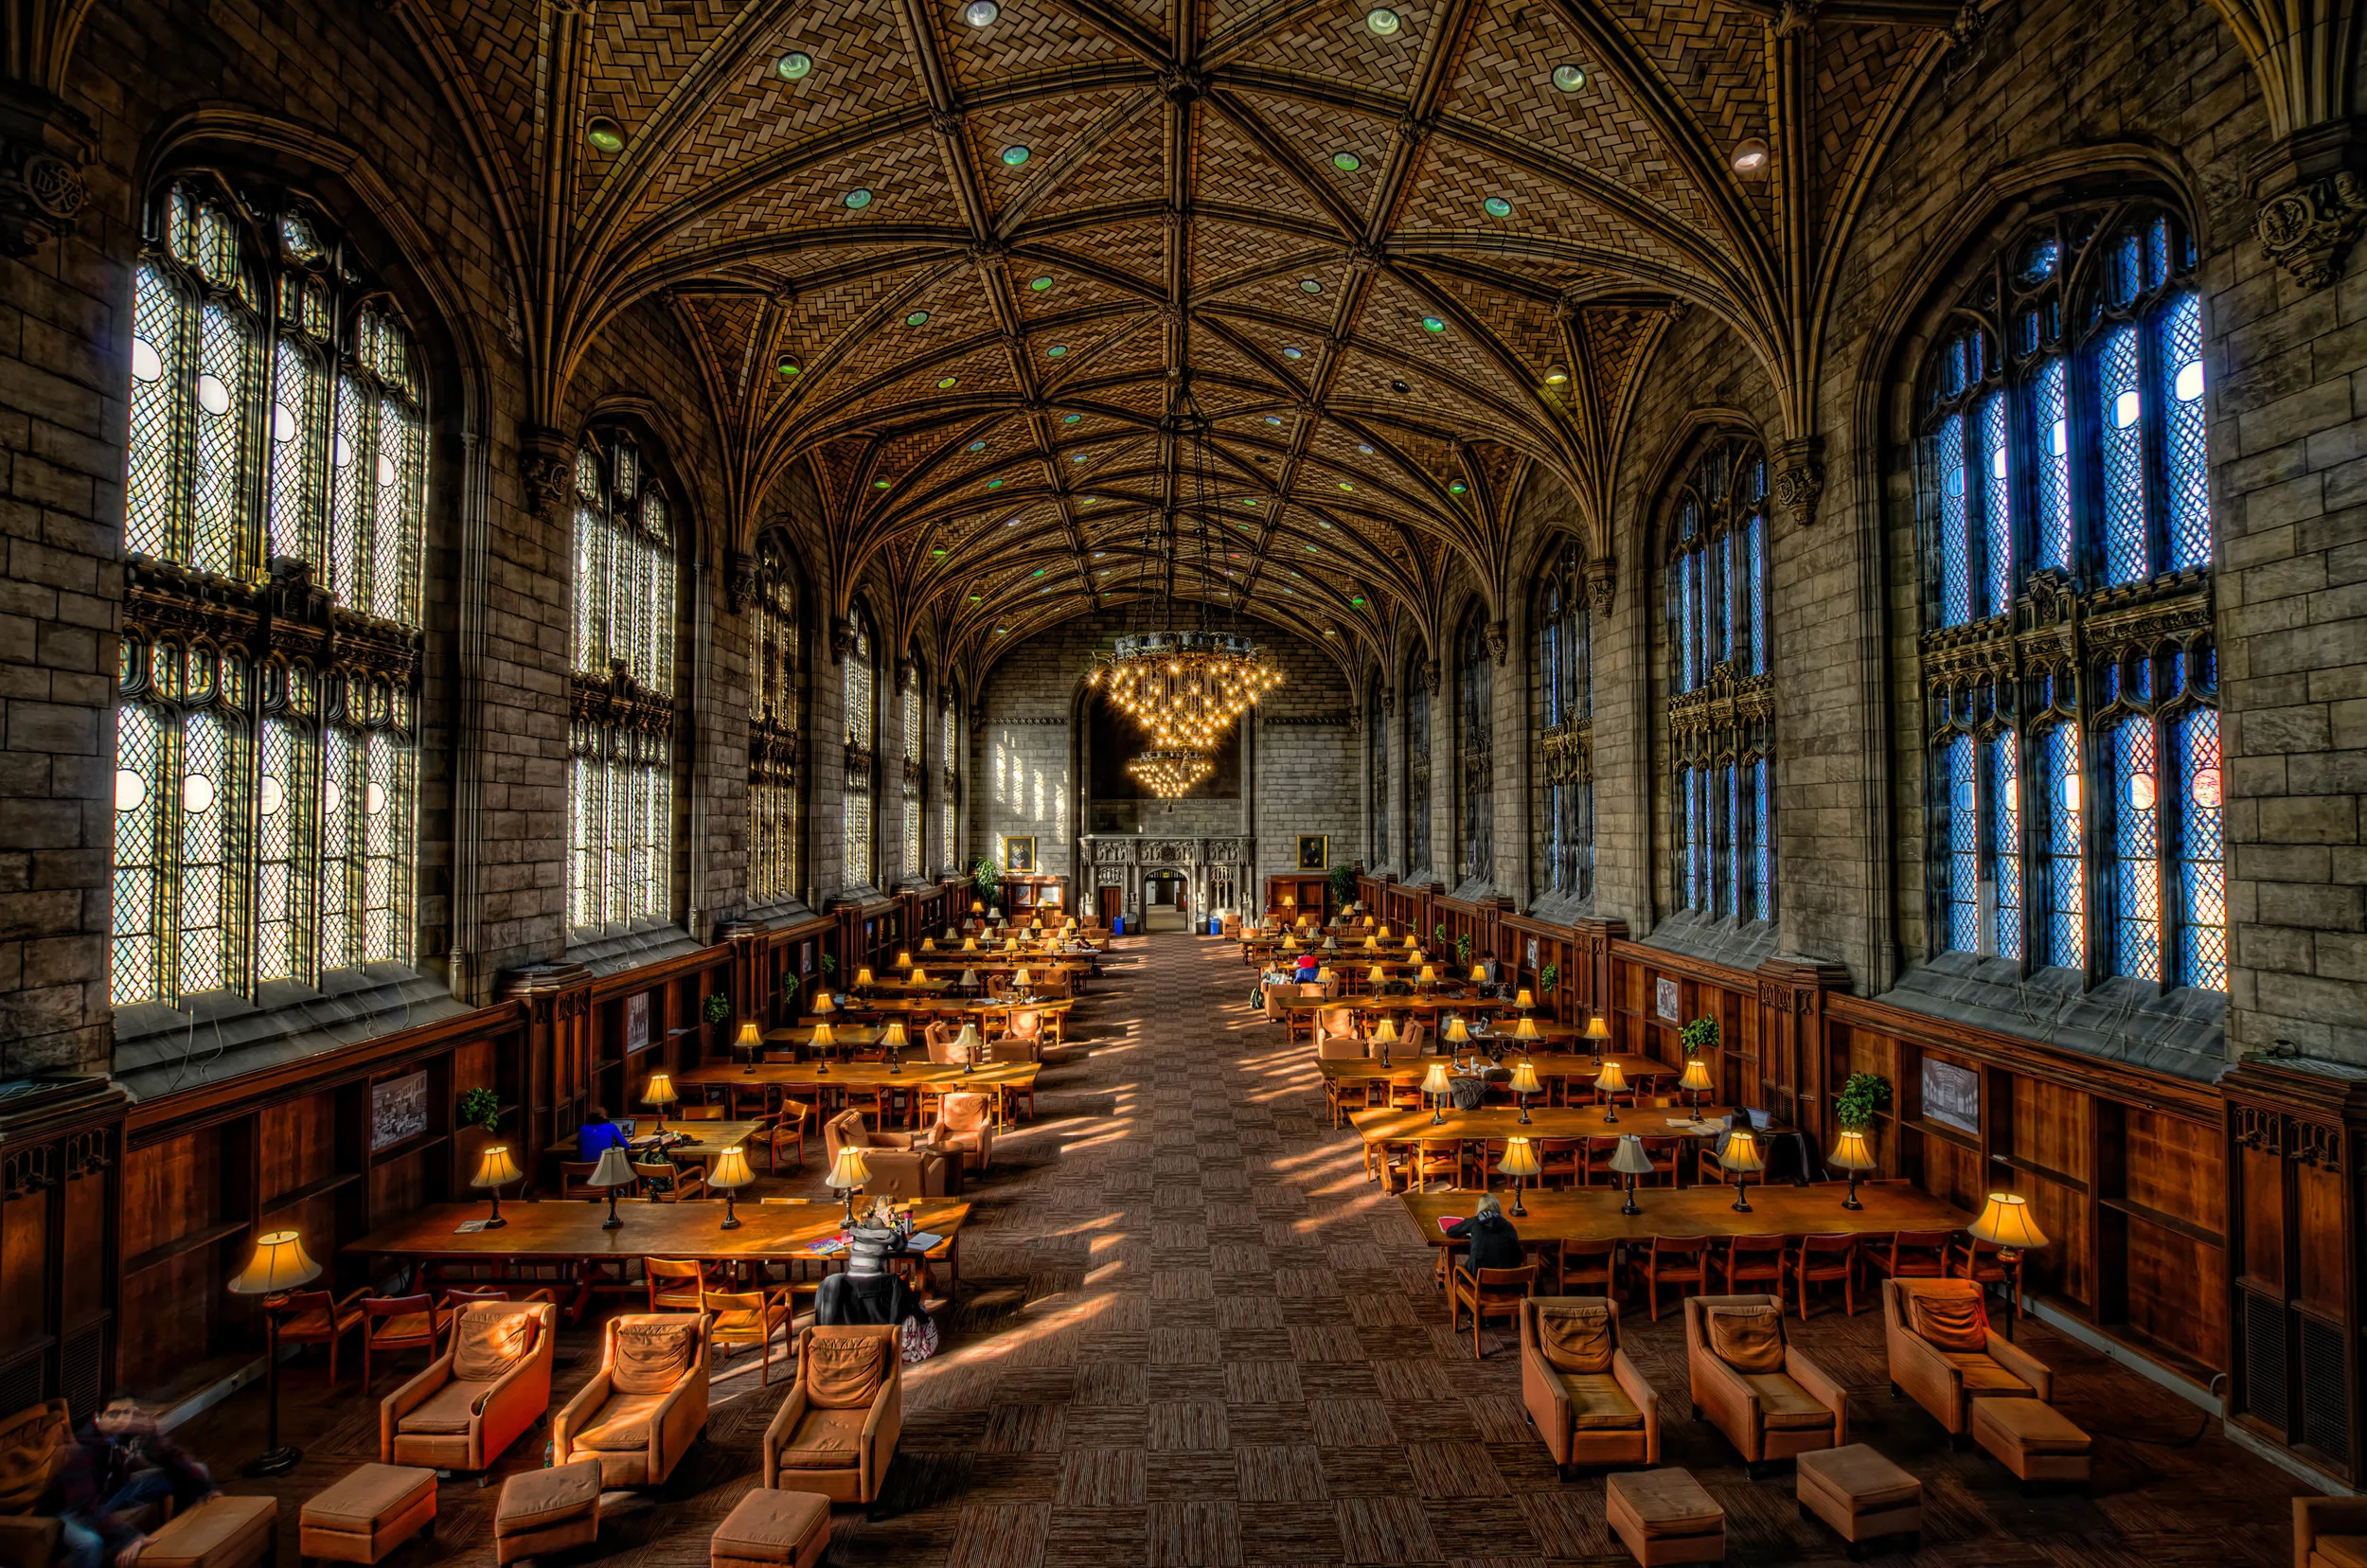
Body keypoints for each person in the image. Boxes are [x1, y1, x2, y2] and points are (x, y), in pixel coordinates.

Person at [54, 1396, 217, 1568]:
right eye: (114, 1414)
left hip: (112, 1492)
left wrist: (204, 1486)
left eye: (126, 1413)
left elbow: (169, 1456)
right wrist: (127, 1538)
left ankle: (177, 1547)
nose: (121, 1419)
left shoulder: (130, 1430)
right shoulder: (84, 1447)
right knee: (90, 1543)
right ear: (98, 1417)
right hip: (73, 1508)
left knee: (196, 1472)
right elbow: (86, 1504)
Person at [1442, 1192, 1524, 1275]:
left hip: (1478, 1281)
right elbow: (1519, 1257)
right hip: (1507, 1282)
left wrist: (1467, 1234)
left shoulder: (1475, 1222)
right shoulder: (1508, 1226)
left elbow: (1451, 1232)